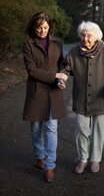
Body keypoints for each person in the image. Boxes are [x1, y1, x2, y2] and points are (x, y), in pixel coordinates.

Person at [58, 21, 104, 174]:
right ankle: (83, 158)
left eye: (89, 35)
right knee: (81, 130)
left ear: (96, 37)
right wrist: (62, 78)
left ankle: (95, 159)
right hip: (81, 100)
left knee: (99, 131)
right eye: (83, 35)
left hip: (101, 99)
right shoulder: (74, 51)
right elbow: (65, 69)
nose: (85, 38)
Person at [23, 12, 67, 183]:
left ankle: (50, 166)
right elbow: (32, 71)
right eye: (39, 27)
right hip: (36, 92)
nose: (42, 31)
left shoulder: (57, 43)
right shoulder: (28, 45)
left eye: (46, 27)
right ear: (34, 27)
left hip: (53, 92)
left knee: (51, 129)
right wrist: (55, 75)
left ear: (50, 27)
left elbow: (62, 65)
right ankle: (39, 156)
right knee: (35, 129)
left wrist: (63, 77)